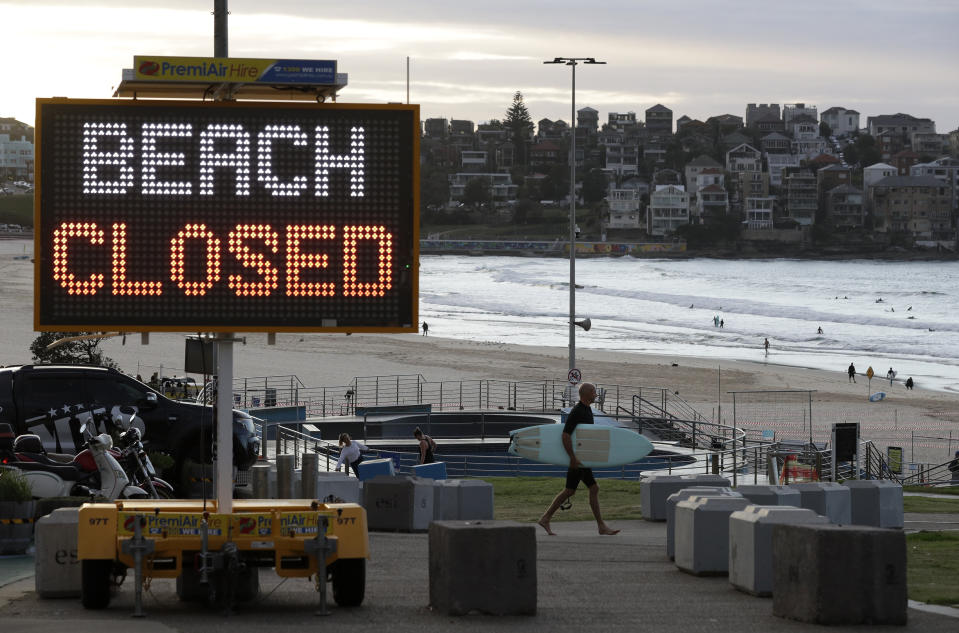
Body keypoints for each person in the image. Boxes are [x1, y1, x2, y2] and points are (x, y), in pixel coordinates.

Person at [538, 382, 620, 537]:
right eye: (594, 392)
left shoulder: (587, 409)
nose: (596, 394)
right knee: (592, 488)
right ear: (587, 393)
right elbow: (565, 435)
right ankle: (601, 526)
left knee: (570, 490)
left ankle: (545, 518)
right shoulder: (577, 411)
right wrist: (573, 458)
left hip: (581, 457)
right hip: (578, 459)